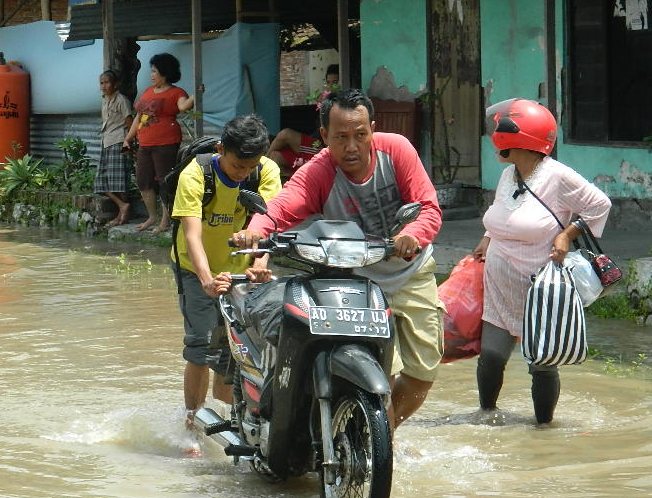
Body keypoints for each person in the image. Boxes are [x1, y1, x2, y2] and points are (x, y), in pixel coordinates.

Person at [233, 88, 444, 431]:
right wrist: (255, 231)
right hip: (353, 279)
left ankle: (379, 438)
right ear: (323, 136)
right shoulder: (318, 171)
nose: (351, 146)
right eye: (341, 137)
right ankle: (369, 447)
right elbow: (282, 207)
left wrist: (413, 235)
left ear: (372, 130)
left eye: (360, 135)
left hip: (411, 272)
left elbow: (428, 208)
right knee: (374, 372)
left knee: (422, 374)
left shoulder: (398, 152)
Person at [471, 98, 610, 425]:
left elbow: (599, 205)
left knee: (541, 363)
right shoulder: (509, 175)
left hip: (540, 289)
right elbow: (504, 214)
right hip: (500, 285)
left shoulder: (558, 177)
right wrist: (487, 238)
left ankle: (543, 430)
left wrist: (567, 235)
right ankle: (485, 416)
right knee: (490, 357)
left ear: (513, 139)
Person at [170, 114, 282, 439]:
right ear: (221, 149)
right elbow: (192, 236)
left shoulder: (267, 172)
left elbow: (271, 223)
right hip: (195, 268)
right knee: (201, 347)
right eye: (236, 167)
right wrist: (206, 279)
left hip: (240, 271)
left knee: (239, 346)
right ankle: (191, 425)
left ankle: (232, 421)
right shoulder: (195, 175)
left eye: (249, 168)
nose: (242, 174)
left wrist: (261, 261)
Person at [123, 53, 195, 234]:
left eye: (154, 71)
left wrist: (196, 95)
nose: (152, 75)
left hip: (166, 142)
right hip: (145, 143)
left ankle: (165, 221)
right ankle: (152, 217)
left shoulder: (176, 92)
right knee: (143, 180)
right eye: (151, 71)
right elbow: (139, 117)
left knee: (164, 181)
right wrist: (128, 138)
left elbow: (183, 107)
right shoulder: (148, 91)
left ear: (165, 72)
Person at [94, 70, 134, 227]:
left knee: (119, 181)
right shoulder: (105, 100)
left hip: (118, 142)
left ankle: (122, 214)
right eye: (101, 83)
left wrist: (129, 142)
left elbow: (130, 121)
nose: (104, 86)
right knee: (101, 182)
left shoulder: (121, 100)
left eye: (107, 82)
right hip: (106, 141)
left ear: (115, 84)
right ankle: (123, 206)